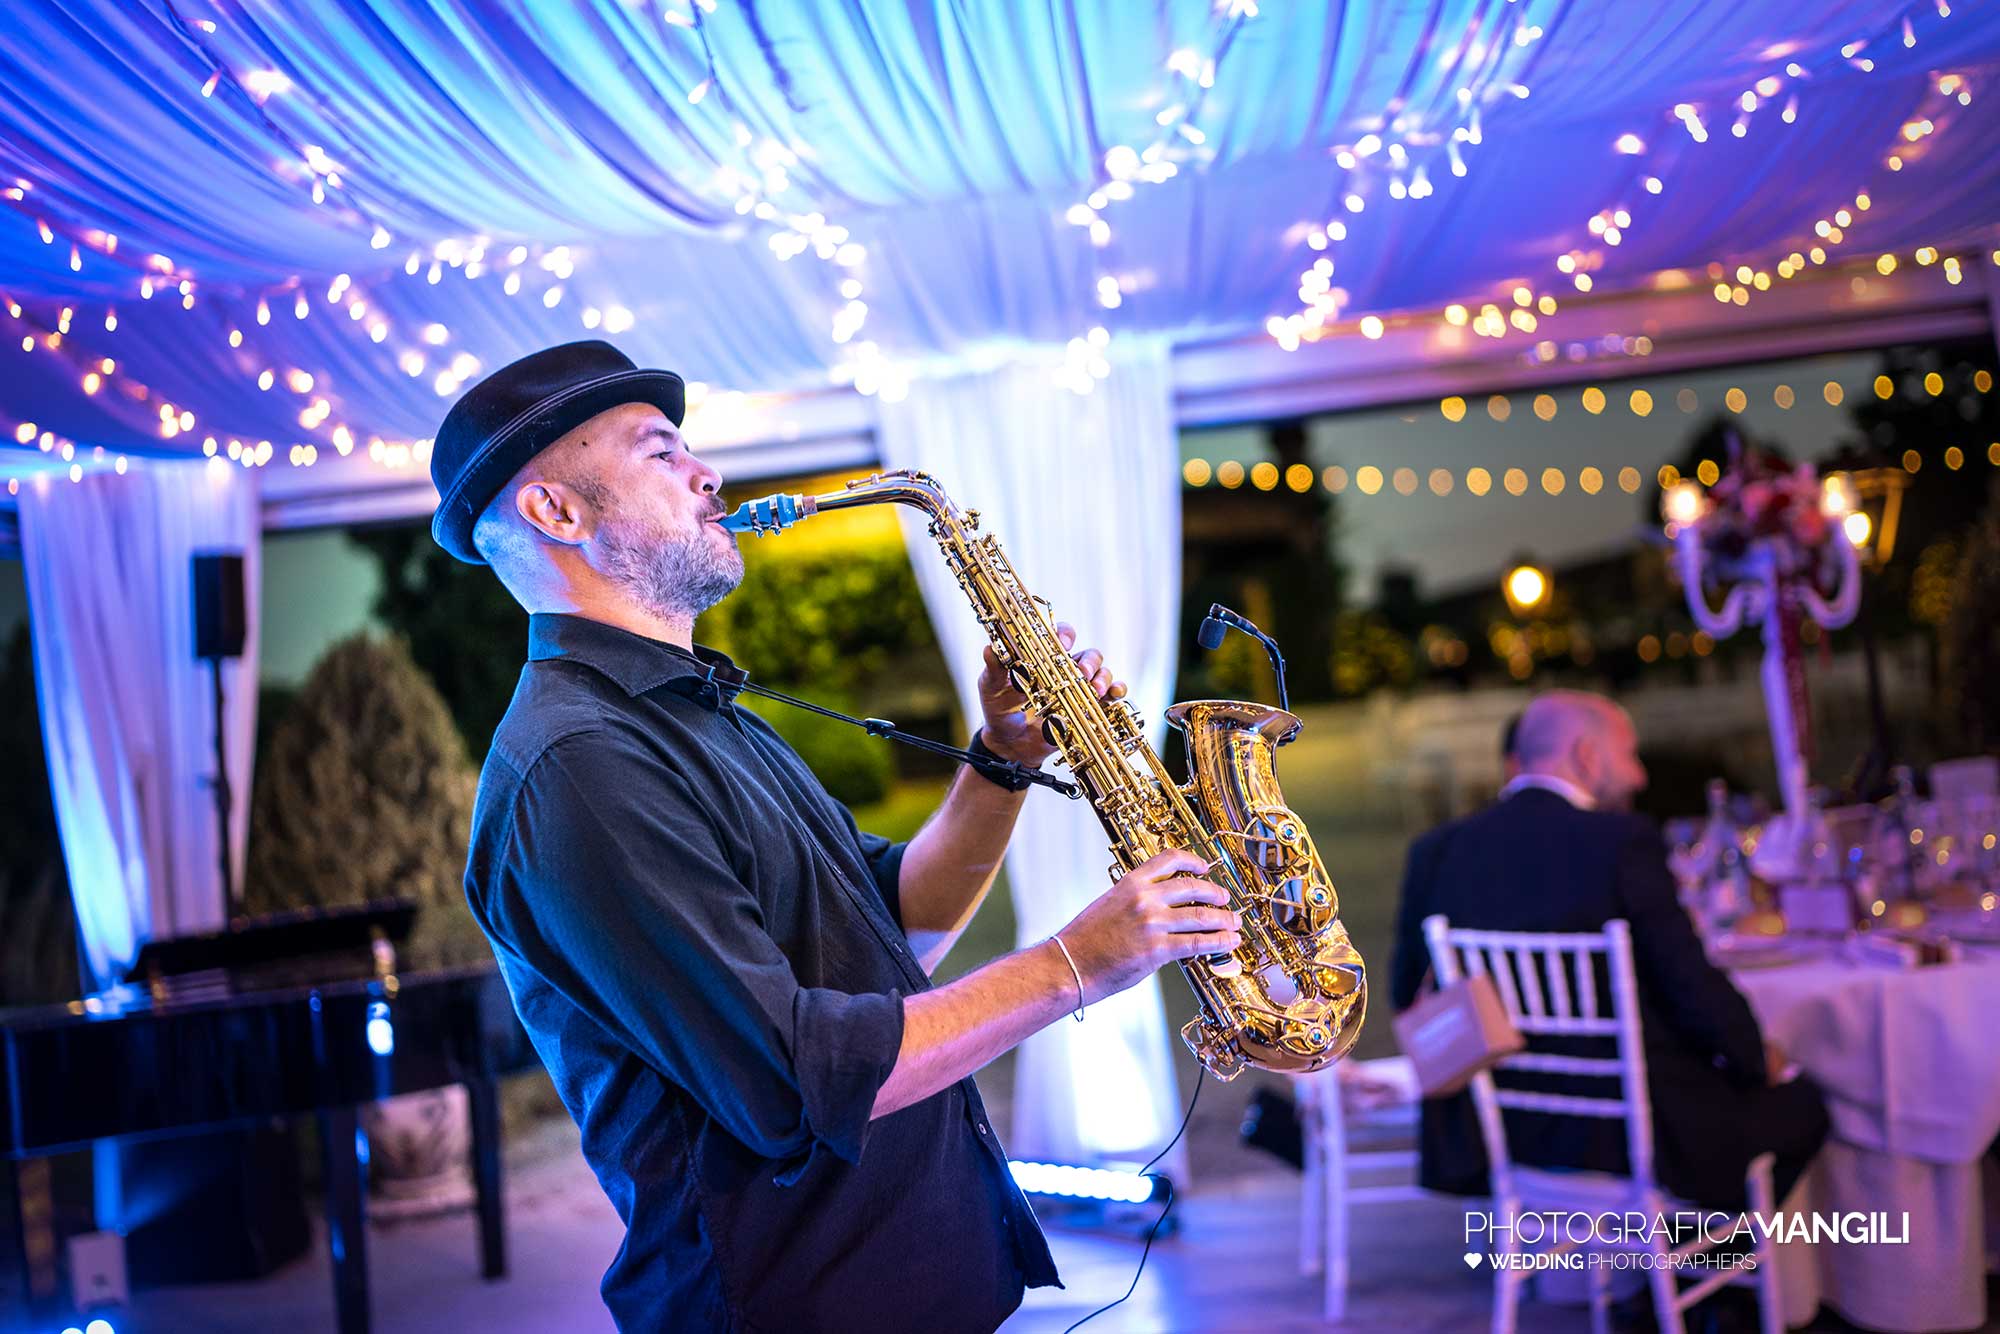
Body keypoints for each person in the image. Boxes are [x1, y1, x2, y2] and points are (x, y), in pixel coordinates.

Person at [429, 341, 1242, 1333]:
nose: (706, 472)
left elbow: (898, 925)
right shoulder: (578, 769)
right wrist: (1077, 962)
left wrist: (1002, 757)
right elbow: (796, 1074)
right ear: (555, 510)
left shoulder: (701, 711)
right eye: (658, 451)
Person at [1389, 690, 1827, 1212]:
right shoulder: (1621, 842)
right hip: (1629, 1132)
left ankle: (1655, 1278)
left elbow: (1404, 992)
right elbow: (1690, 987)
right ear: (1587, 756)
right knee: (1807, 1107)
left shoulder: (1437, 852)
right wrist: (1755, 1059)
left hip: (1502, 1132)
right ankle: (1698, 1273)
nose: (1639, 776)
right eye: (1629, 755)